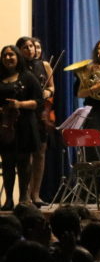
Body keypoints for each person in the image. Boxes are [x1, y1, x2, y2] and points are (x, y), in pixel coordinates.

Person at [0, 46, 43, 209]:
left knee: (24, 163)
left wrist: (20, 104)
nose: (8, 58)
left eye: (11, 55)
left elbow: (39, 102)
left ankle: (24, 197)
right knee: (7, 163)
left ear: (18, 57)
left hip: (24, 125)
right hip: (4, 125)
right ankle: (8, 199)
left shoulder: (28, 77)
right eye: (5, 55)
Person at [16, 37, 52, 208]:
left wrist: (47, 93)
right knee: (25, 156)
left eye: (32, 46)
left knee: (40, 154)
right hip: (23, 115)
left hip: (40, 114)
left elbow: (52, 88)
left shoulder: (44, 65)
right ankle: (25, 194)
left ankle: (36, 194)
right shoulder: (16, 68)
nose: (31, 49)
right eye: (26, 47)